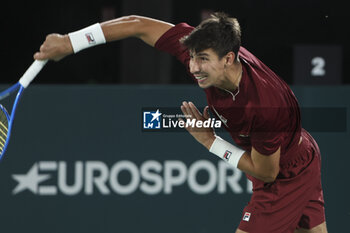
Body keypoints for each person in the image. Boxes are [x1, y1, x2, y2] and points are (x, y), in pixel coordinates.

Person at [34, 13, 328, 233]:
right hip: (295, 148)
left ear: (228, 59)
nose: (193, 67)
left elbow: (267, 172)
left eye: (202, 59)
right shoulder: (205, 51)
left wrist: (211, 142)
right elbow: (138, 24)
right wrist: (71, 42)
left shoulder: (263, 105)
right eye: (191, 58)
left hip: (283, 173)